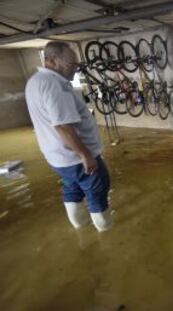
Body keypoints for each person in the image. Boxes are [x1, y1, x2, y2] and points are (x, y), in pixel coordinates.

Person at [25, 41, 112, 232]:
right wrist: (85, 155)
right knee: (97, 190)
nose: (75, 70)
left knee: (72, 188)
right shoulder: (56, 86)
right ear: (52, 61)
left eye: (76, 65)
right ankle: (106, 233)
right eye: (71, 65)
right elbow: (63, 126)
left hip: (57, 157)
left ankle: (79, 227)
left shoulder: (35, 81)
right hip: (75, 157)